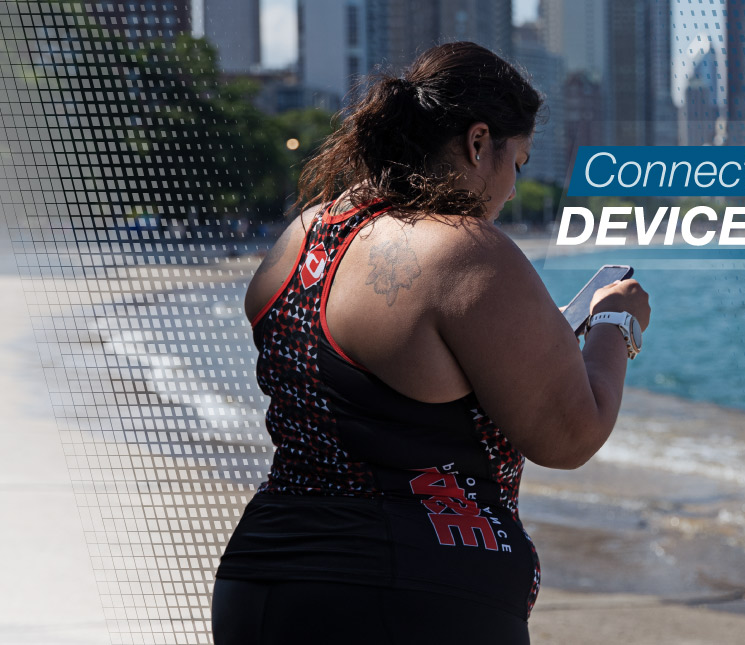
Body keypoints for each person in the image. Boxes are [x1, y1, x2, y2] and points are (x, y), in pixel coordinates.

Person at [211, 41, 650, 644]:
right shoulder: (463, 250)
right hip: (410, 594)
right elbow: (569, 434)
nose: (513, 192)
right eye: (516, 164)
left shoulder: (307, 232)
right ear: (477, 143)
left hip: (259, 584)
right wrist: (613, 324)